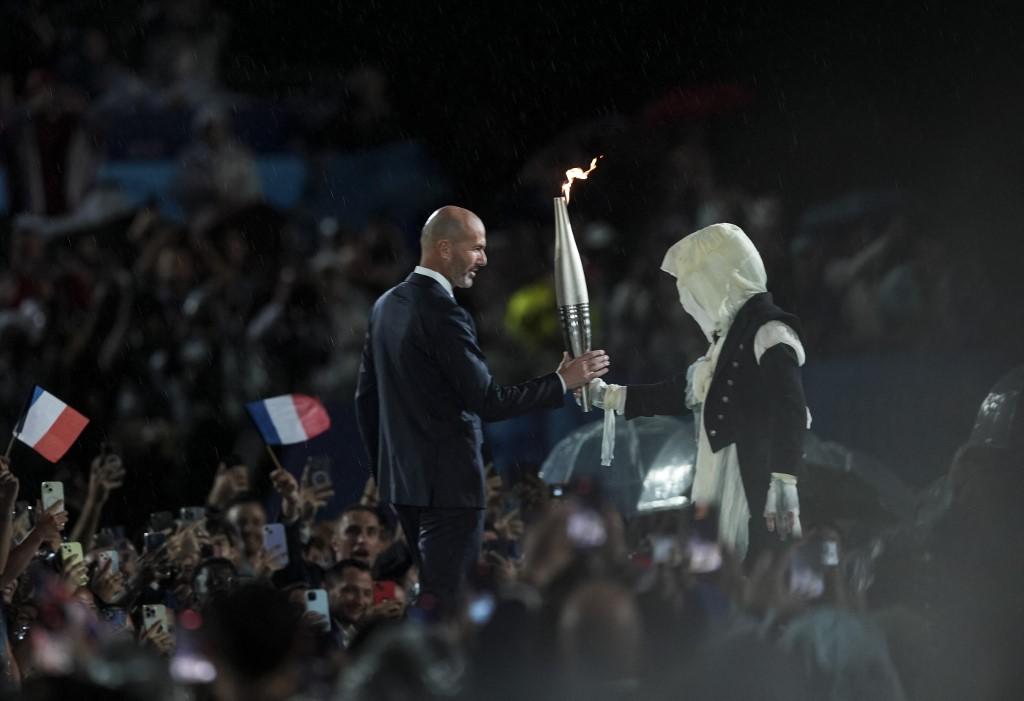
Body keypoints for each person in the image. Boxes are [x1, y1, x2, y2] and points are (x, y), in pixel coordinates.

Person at [355, 205, 609, 616]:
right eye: (476, 249)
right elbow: (488, 402)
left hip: (404, 486)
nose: (484, 260)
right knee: (450, 601)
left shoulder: (386, 305)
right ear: (444, 248)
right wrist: (563, 380)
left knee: (434, 593)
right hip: (450, 488)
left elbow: (365, 400)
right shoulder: (444, 313)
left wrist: (386, 472)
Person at [591, 223, 808, 560]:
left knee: (759, 561)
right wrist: (611, 396)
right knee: (720, 566)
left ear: (721, 278)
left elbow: (790, 408)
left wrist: (784, 479)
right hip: (719, 471)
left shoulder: (769, 331)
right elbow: (678, 392)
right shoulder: (725, 343)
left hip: (753, 476)